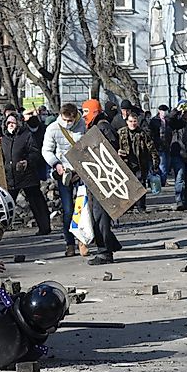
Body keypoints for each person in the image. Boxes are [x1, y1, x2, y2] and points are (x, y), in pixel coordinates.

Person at [81, 99, 123, 265]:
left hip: (102, 181)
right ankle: (109, 246)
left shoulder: (103, 127)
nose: (83, 115)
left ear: (94, 111)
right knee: (97, 215)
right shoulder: (97, 127)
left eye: (86, 111)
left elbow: (107, 153)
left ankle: (105, 252)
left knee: (100, 216)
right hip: (98, 179)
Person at [42, 103, 86, 256]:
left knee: (84, 208)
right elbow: (46, 150)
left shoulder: (83, 125)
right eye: (64, 119)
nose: (67, 123)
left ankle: (84, 240)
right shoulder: (53, 128)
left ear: (75, 117)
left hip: (81, 171)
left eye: (70, 120)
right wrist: (56, 164)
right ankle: (70, 243)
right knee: (68, 210)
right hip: (64, 172)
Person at [2, 112, 52, 236]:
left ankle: (45, 227)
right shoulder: (3, 139)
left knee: (36, 201)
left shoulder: (27, 135)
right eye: (8, 122)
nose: (11, 125)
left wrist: (27, 161)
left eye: (13, 122)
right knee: (6, 203)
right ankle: (0, 230)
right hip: (10, 176)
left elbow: (35, 153)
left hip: (27, 175)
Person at [117, 112, 160, 212]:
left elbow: (151, 148)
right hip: (125, 163)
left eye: (135, 121)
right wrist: (118, 152)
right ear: (127, 122)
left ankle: (141, 206)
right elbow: (114, 146)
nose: (133, 124)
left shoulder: (142, 133)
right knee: (127, 185)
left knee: (140, 184)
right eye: (130, 121)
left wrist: (155, 162)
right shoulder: (121, 133)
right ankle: (129, 206)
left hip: (140, 163)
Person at [167, 102, 187, 210]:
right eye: (186, 112)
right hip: (178, 153)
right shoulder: (178, 123)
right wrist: (176, 110)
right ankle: (179, 201)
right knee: (179, 177)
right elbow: (170, 120)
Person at [149, 104, 173, 186]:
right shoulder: (154, 121)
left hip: (167, 145)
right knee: (162, 165)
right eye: (163, 111)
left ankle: (163, 180)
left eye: (165, 111)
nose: (164, 113)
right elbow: (152, 133)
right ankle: (162, 181)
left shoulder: (168, 121)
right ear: (159, 111)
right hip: (158, 146)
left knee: (166, 165)